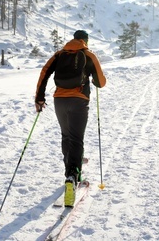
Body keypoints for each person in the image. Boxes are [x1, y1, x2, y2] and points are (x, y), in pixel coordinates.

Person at [35, 30, 106, 207]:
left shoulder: (59, 54)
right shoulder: (88, 55)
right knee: (76, 138)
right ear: (86, 41)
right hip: (79, 101)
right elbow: (101, 82)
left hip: (59, 100)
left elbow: (45, 72)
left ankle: (69, 170)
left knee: (66, 135)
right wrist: (94, 79)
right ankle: (73, 176)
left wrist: (39, 97)